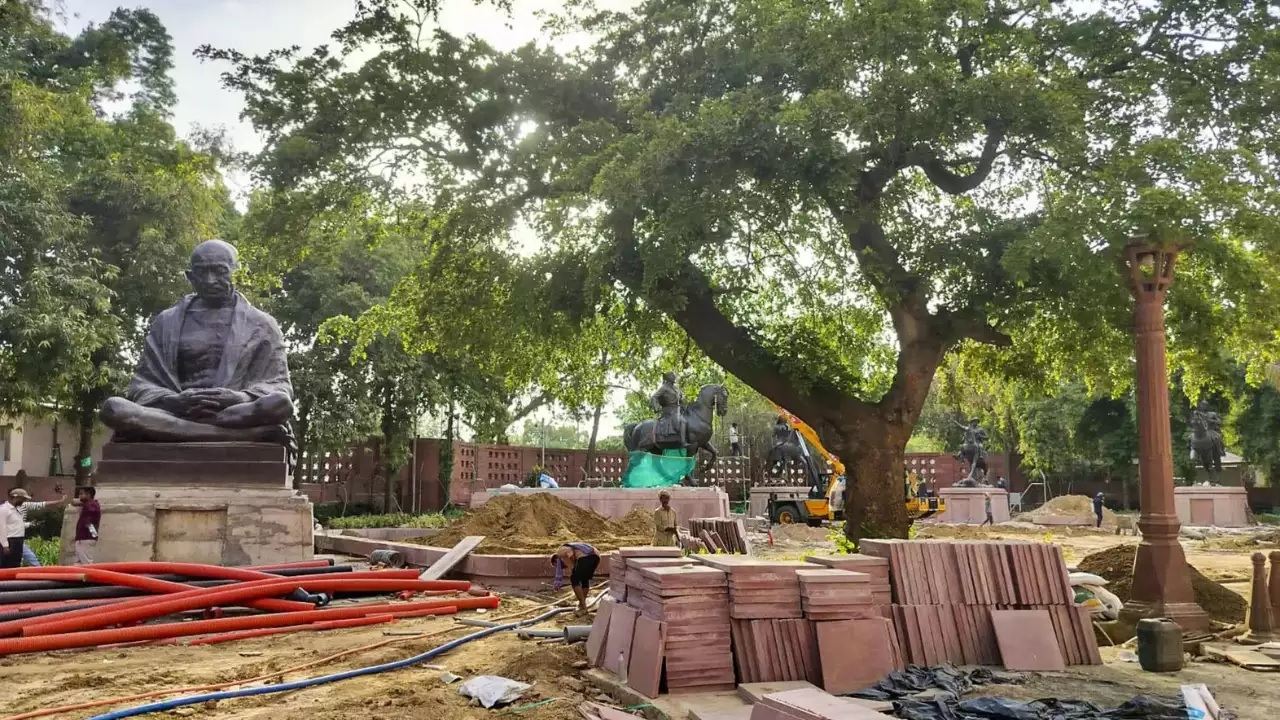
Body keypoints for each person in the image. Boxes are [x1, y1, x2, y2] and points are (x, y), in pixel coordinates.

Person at [99, 239, 295, 444]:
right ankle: (240, 437)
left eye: (219, 271)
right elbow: (142, 384)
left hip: (234, 414)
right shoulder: (166, 322)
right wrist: (173, 400)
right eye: (202, 273)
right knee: (114, 408)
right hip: (176, 412)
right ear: (190, 276)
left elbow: (278, 385)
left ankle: (182, 432)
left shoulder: (262, 324)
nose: (210, 280)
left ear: (235, 271)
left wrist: (241, 398)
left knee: (280, 404)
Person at [16, 488, 70, 567]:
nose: (25, 500)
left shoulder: (24, 505)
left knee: (30, 559)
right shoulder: (6, 509)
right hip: (11, 538)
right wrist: (29, 524)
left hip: (17, 538)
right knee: (27, 558)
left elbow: (42, 504)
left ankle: (38, 571)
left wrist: (60, 501)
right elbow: (13, 525)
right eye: (23, 498)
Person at [551, 542, 599, 613]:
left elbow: (569, 552)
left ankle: (583, 607)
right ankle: (582, 604)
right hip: (596, 556)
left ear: (556, 560)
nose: (562, 568)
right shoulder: (575, 549)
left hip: (585, 557)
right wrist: (573, 570)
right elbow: (574, 566)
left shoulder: (560, 552)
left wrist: (571, 559)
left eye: (558, 566)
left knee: (574, 580)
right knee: (584, 580)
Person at [0, 489, 30, 569]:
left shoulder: (16, 509)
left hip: (18, 541)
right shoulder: (4, 509)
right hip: (10, 541)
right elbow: (1, 528)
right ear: (15, 497)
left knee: (15, 565)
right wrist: (5, 546)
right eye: (22, 499)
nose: (23, 501)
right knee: (7, 565)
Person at [73, 486, 101, 564]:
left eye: (81, 494)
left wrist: (92, 534)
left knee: (86, 563)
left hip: (85, 538)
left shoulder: (91, 505)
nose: (79, 496)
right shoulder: (90, 504)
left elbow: (88, 522)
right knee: (78, 563)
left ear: (88, 494)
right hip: (83, 538)